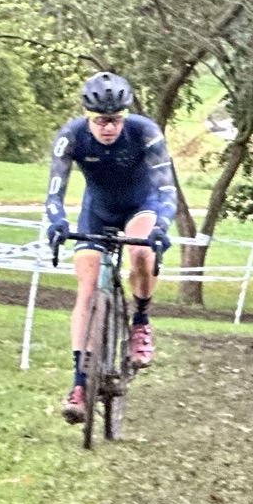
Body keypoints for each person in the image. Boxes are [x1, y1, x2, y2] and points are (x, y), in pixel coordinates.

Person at [43, 72, 176, 423]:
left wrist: (161, 226)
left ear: (125, 116)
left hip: (141, 206)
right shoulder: (71, 136)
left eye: (116, 119)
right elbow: (54, 192)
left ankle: (141, 320)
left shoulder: (144, 132)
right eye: (101, 120)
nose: (109, 127)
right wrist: (57, 221)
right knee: (86, 290)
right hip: (97, 212)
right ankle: (79, 384)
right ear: (87, 116)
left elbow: (166, 190)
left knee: (140, 251)